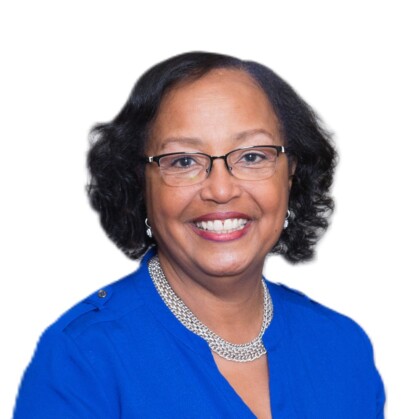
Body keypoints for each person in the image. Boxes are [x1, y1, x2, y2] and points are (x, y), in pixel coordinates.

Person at [13, 52, 385, 418]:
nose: (221, 190)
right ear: (140, 182)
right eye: (184, 161)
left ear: (290, 174)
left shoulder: (343, 347)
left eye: (252, 156)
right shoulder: (82, 360)